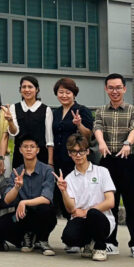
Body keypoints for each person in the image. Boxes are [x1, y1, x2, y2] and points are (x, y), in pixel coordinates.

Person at [92, 73, 134, 258]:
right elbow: (97, 127)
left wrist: (128, 144)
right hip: (107, 161)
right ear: (106, 89)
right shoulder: (100, 111)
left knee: (132, 205)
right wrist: (101, 143)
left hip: (127, 161)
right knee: (109, 205)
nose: (115, 91)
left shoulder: (132, 110)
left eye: (118, 87)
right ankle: (110, 242)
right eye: (111, 88)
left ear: (124, 88)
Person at [0, 133, 57, 254]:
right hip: (22, 215)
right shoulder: (17, 172)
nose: (29, 149)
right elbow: (7, 200)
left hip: (41, 214)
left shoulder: (47, 170)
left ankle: (42, 239)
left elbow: (46, 198)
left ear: (37, 150)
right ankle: (25, 238)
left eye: (32, 146)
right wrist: (16, 188)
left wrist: (24, 202)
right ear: (20, 150)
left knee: (46, 209)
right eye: (25, 147)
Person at [56, 133, 117, 262]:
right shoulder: (69, 178)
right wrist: (63, 191)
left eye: (81, 151)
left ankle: (100, 247)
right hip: (81, 219)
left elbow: (110, 202)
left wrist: (85, 212)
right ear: (69, 154)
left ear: (88, 151)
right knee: (68, 237)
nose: (78, 155)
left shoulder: (102, 171)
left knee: (93, 213)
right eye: (74, 152)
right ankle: (88, 243)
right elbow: (71, 209)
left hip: (101, 219)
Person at [52, 77, 94, 215]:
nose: (64, 95)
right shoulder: (55, 112)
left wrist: (79, 125)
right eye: (61, 92)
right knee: (61, 196)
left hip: (76, 159)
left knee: (77, 195)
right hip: (59, 160)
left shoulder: (82, 110)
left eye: (68, 92)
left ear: (74, 94)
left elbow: (89, 135)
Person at [9, 75, 53, 167]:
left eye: (30, 87)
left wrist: (50, 162)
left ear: (37, 90)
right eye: (24, 87)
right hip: (20, 156)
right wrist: (10, 121)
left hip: (41, 156)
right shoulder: (14, 107)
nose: (27, 90)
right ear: (20, 90)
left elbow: (49, 139)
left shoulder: (46, 109)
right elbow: (14, 132)